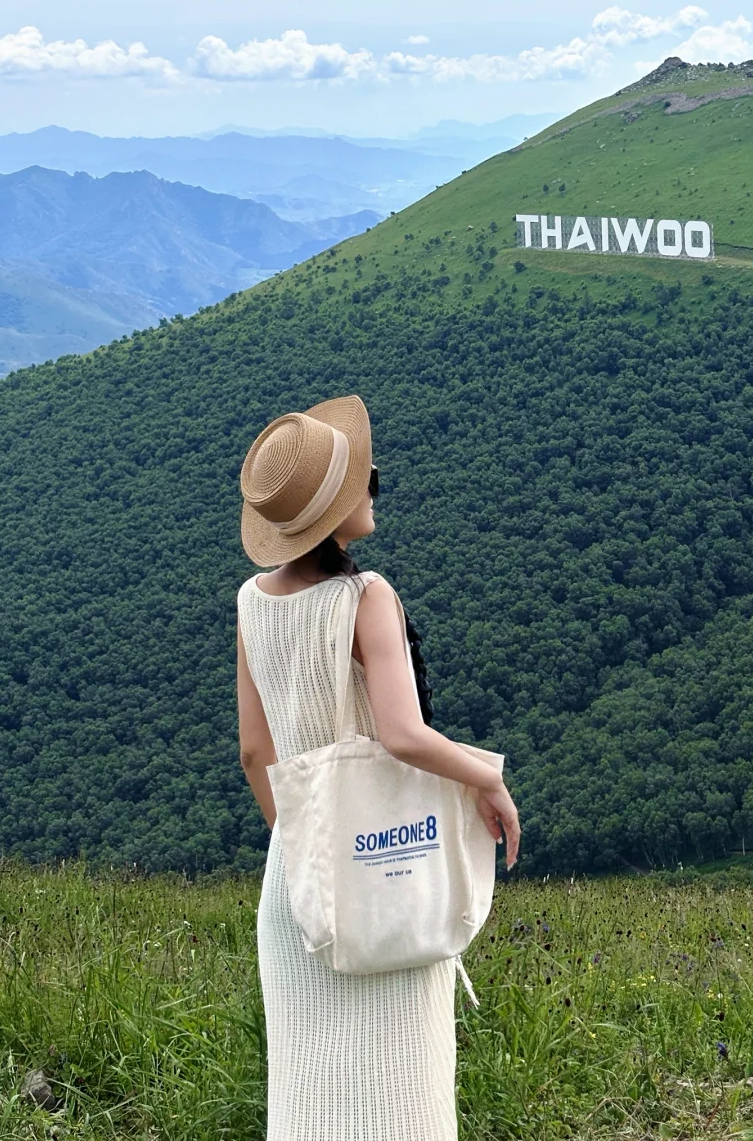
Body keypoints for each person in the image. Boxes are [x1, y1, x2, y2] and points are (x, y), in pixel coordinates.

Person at [236, 394, 519, 1141]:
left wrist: (304, 842)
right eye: (367, 477)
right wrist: (483, 777)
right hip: (385, 872)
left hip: (295, 883)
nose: (374, 483)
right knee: (405, 1097)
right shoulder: (366, 596)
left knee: (306, 1097)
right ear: (335, 513)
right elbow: (401, 733)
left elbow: (254, 751)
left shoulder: (250, 603)